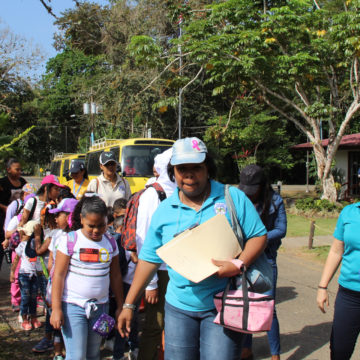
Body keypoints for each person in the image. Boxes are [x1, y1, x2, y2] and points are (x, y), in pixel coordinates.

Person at [118, 137, 267, 360]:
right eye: (181, 169)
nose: (189, 175)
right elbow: (148, 259)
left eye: (196, 167)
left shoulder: (232, 197)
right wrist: (129, 304)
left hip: (223, 305)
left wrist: (238, 263)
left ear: (208, 168)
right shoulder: (165, 210)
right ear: (173, 172)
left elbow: (258, 236)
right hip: (178, 309)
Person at [50, 195, 124, 360]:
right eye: (91, 226)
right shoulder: (70, 240)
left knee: (93, 354)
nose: (96, 231)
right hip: (73, 308)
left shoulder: (111, 243)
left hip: (101, 309)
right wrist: (56, 309)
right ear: (81, 219)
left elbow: (116, 275)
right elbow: (59, 276)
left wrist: (120, 305)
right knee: (77, 356)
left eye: (101, 225)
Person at [238, 165, 287, 360]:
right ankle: (246, 349)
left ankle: (275, 354)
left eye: (253, 189)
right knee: (245, 305)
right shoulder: (239, 197)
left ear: (263, 185)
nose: (249, 193)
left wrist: (259, 239)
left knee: (268, 306)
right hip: (244, 257)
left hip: (266, 258)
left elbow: (281, 229)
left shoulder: (275, 200)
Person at [136, 148, 177, 360]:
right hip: (159, 271)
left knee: (176, 325)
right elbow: (143, 239)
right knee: (155, 324)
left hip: (179, 269)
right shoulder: (153, 194)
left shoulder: (182, 192)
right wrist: (150, 283)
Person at [317, 202, 360, 360]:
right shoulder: (349, 212)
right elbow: (336, 250)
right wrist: (322, 286)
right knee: (339, 350)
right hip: (349, 296)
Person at [10, 220, 43, 331]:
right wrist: (12, 273)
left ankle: (33, 317)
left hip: (34, 275)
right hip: (24, 275)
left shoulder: (38, 245)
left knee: (33, 297)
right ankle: (24, 318)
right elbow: (16, 259)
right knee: (25, 297)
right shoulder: (22, 245)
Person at [0, 158, 26, 268]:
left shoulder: (23, 182)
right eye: (17, 169)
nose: (19, 172)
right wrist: (6, 208)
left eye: (20, 170)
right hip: (3, 218)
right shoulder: (2, 183)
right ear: (9, 170)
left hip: (18, 220)